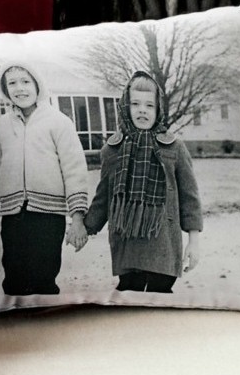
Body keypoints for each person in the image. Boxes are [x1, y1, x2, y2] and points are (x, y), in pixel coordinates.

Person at [0, 60, 89, 295]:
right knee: (14, 276)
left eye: (26, 81)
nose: (20, 88)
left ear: (38, 85)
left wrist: (77, 219)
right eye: (12, 83)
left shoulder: (59, 123)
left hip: (49, 216)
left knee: (44, 275)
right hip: (13, 216)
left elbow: (74, 170)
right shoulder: (0, 128)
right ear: (6, 90)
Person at [84, 71, 202, 293]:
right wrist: (85, 227)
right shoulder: (112, 150)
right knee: (129, 299)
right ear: (125, 108)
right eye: (135, 104)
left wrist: (193, 243)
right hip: (126, 245)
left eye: (149, 105)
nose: (142, 110)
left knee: (159, 304)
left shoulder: (174, 147)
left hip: (164, 244)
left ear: (158, 110)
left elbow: (190, 199)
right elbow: (103, 198)